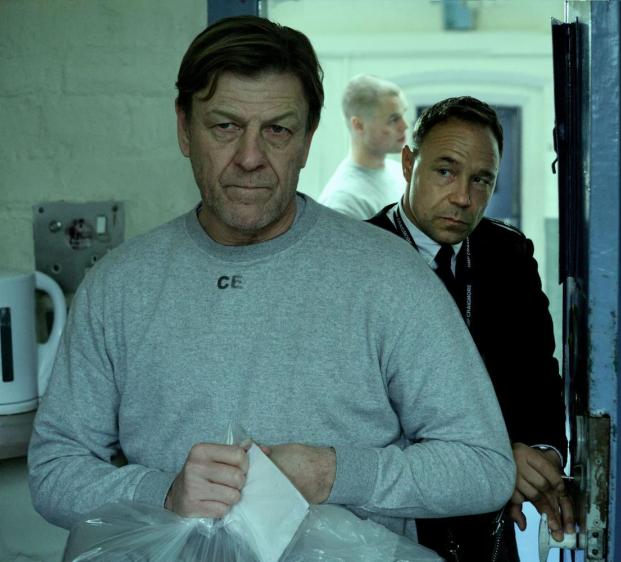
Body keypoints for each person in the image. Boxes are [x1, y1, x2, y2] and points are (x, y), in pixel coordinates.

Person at [27, 17, 516, 543]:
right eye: (225, 126)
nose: (250, 158)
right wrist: (163, 493)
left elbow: (483, 467)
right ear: (184, 128)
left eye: (278, 130)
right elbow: (55, 470)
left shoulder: (391, 276)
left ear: (307, 140)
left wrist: (333, 474)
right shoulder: (120, 286)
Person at [367, 96, 573, 561]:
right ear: (408, 164)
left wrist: (539, 456)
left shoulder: (508, 254)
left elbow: (538, 376)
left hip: (488, 528)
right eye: (446, 171)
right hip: (389, 525)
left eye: (481, 179)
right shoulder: (358, 255)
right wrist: (495, 460)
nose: (463, 197)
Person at [317, 74, 408, 219]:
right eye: (393, 119)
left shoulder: (401, 173)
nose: (404, 126)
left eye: (403, 115)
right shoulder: (343, 202)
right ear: (359, 125)